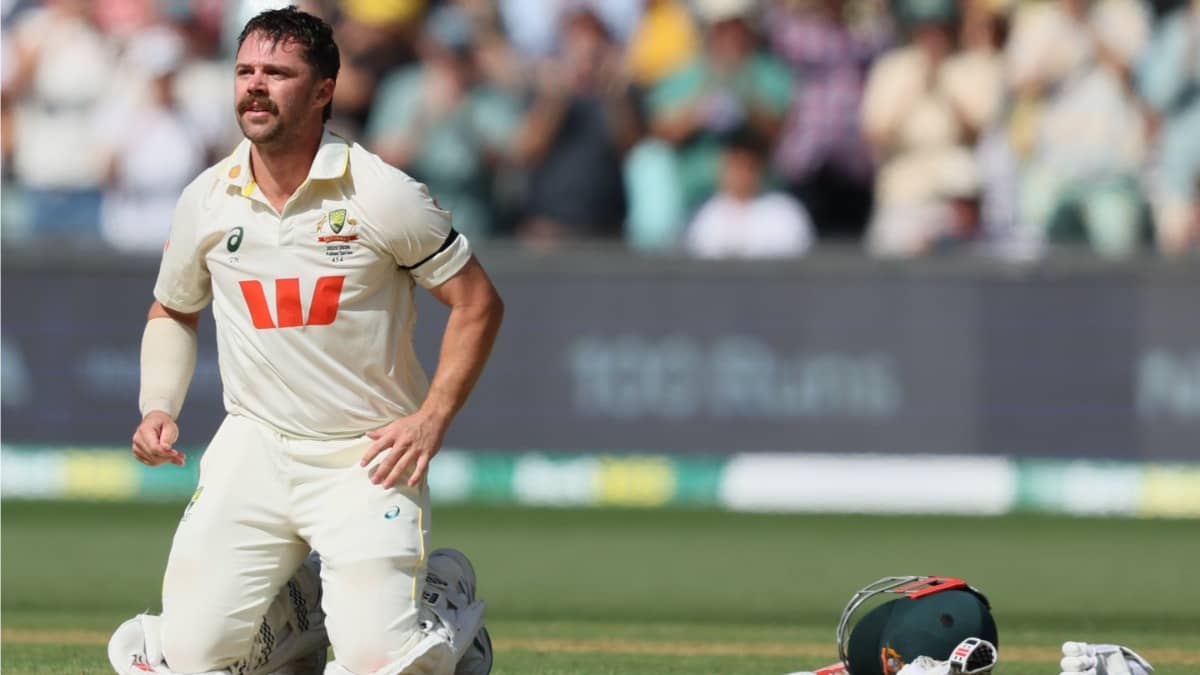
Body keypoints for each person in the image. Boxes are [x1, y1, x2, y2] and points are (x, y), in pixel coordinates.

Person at [110, 7, 504, 675]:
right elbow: (173, 309)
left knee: (380, 666)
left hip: (366, 456)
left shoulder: (381, 193)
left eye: (278, 73)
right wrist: (158, 406)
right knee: (183, 661)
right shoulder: (207, 197)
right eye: (245, 71)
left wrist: (432, 416)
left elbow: (477, 302)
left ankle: (440, 599)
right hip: (254, 446)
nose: (255, 86)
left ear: (323, 90)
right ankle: (302, 612)